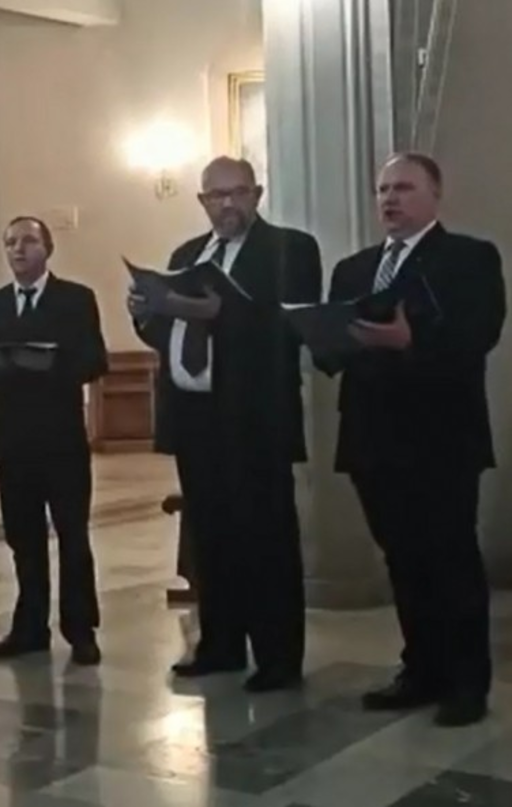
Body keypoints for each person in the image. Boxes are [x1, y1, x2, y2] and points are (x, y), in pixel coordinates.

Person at [128, 156, 322, 692]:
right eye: (217, 195)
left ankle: (278, 657)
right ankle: (221, 644)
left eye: (238, 192)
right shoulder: (187, 256)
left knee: (267, 537)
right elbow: (169, 334)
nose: (228, 203)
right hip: (195, 418)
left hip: (257, 418)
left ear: (257, 194)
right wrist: (146, 312)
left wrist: (216, 313)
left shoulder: (289, 248)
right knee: (210, 536)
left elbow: (290, 324)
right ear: (202, 201)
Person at [326, 152, 504, 727]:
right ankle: (421, 669)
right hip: (371, 436)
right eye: (382, 189)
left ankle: (466, 683)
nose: (389, 199)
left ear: (434, 194)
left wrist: (411, 343)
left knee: (450, 559)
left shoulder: (469, 258)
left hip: (440, 437)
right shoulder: (355, 269)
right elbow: (335, 348)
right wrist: (317, 335)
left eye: (402, 187)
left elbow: (479, 335)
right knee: (402, 559)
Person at [0, 216, 108, 665]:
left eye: (28, 241)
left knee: (73, 537)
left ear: (48, 248)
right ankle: (30, 628)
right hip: (13, 438)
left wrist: (47, 365)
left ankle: (81, 630)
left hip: (61, 437)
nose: (18, 249)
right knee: (23, 539)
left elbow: (94, 361)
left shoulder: (75, 299)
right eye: (10, 243)